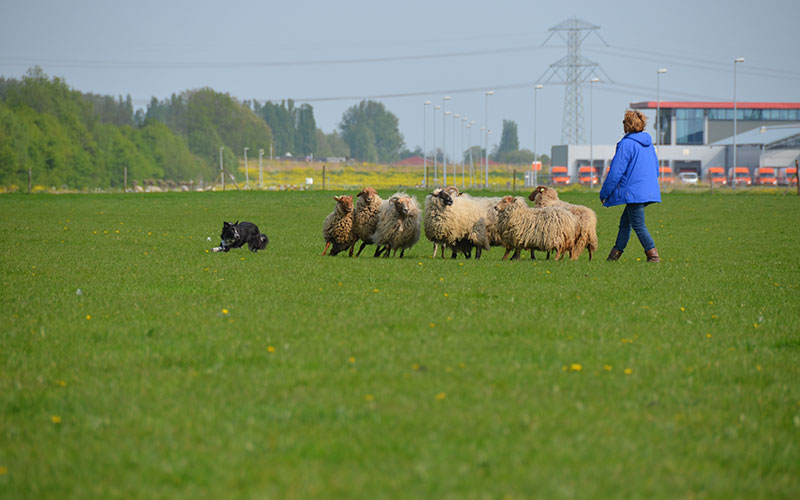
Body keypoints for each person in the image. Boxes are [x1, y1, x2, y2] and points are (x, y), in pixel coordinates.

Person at [599, 110, 661, 263]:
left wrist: (605, 193)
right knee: (625, 222)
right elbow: (656, 168)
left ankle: (653, 256)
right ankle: (614, 255)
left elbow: (616, 172)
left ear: (627, 125)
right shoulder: (649, 145)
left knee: (638, 225)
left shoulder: (626, 144)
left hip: (634, 192)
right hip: (648, 190)